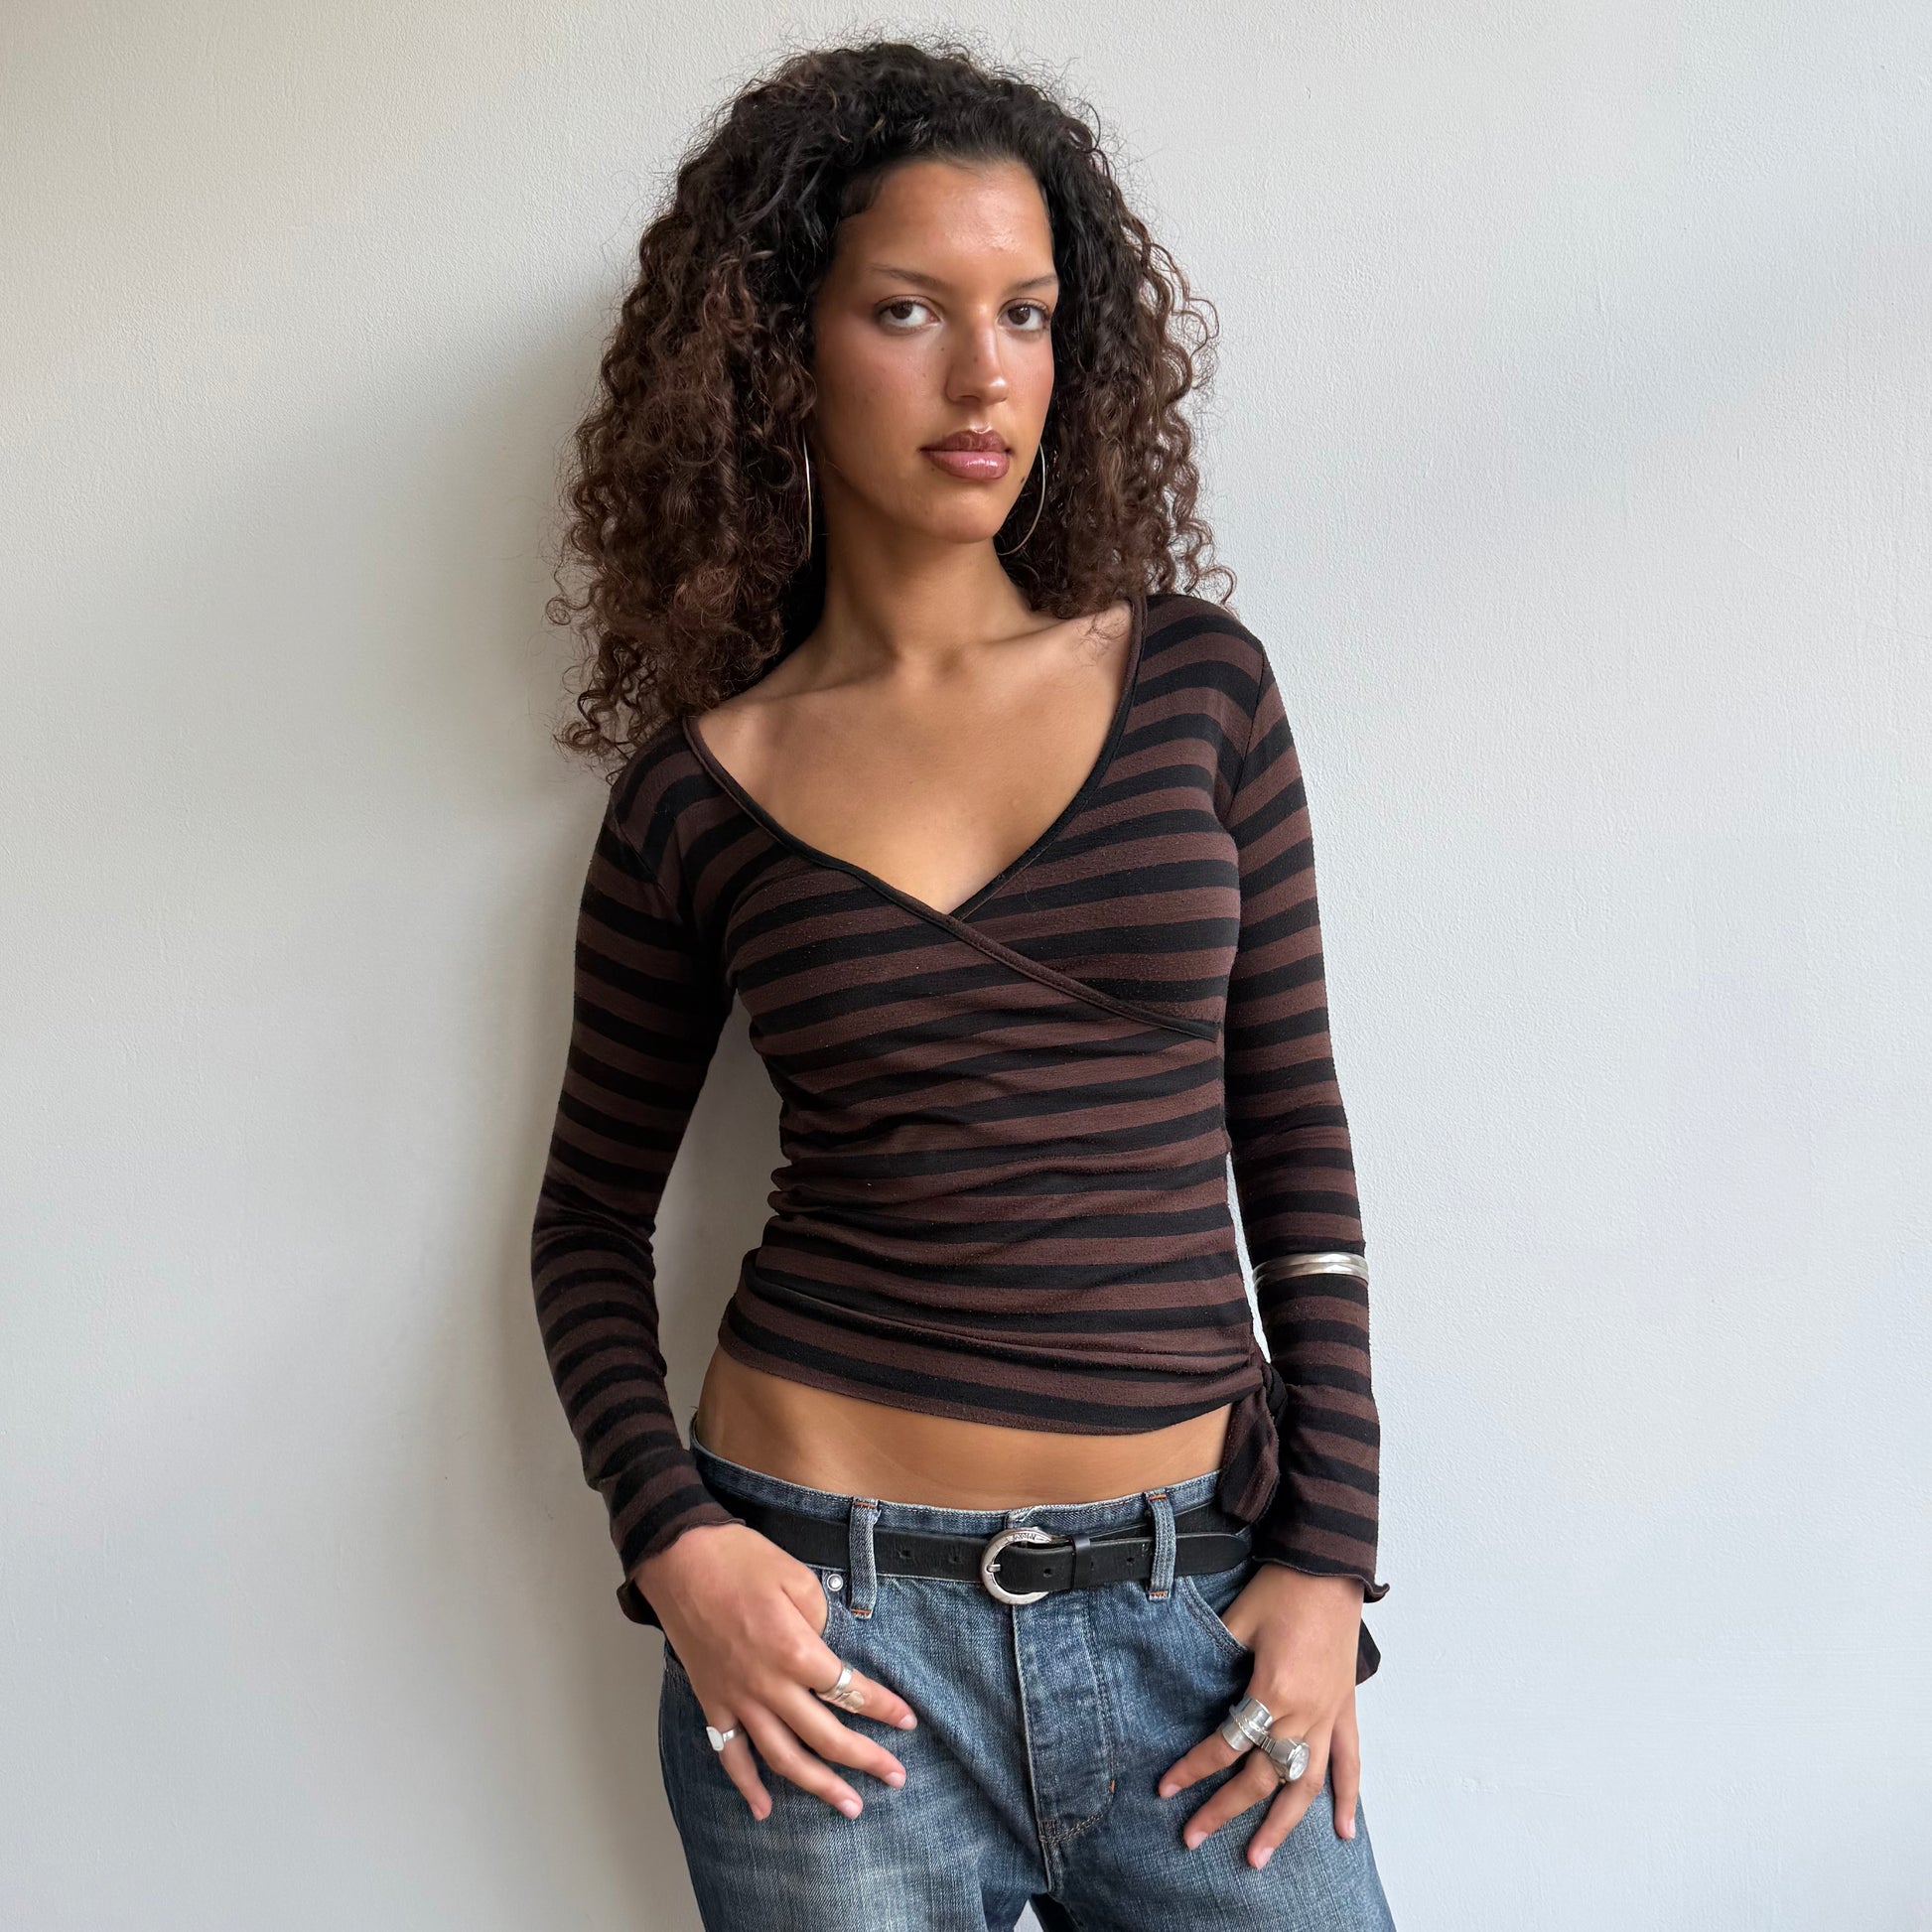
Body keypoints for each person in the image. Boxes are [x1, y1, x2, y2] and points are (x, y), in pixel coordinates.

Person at [530, 37, 1397, 1931]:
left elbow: (1295, 1141)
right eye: (908, 310)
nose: (985, 374)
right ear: (781, 348)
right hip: (827, 1644)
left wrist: (1328, 1554)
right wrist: (678, 1545)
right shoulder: (699, 787)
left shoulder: (1198, 687)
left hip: (1198, 1623)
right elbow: (585, 1223)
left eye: (1027, 313)